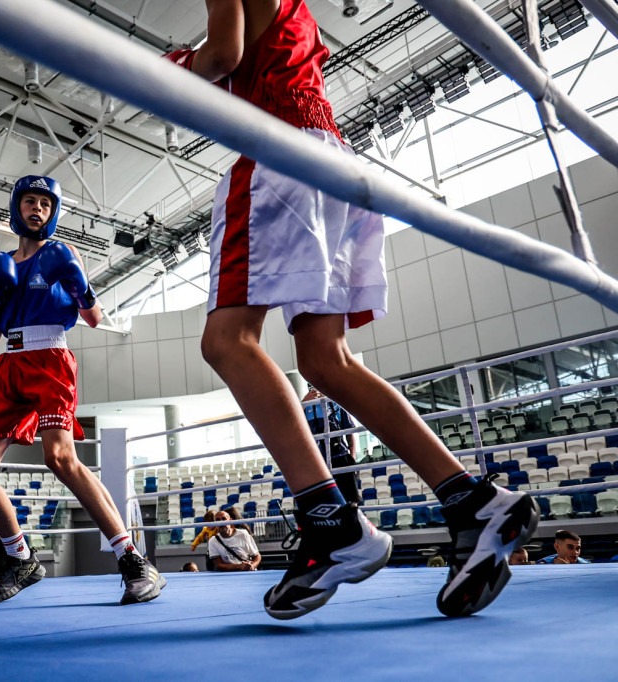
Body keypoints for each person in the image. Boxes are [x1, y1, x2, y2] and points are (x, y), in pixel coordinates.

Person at [167, 0, 538, 619]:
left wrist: (165, 65)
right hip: (333, 157)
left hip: (276, 152)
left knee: (226, 341)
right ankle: (471, 499)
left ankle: (329, 520)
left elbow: (222, 56)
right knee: (325, 359)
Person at [0, 175, 165, 605]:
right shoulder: (0, 264)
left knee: (59, 456)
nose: (38, 209)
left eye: (46, 204)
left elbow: (93, 317)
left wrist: (78, 282)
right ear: (17, 208)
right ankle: (21, 559)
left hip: (51, 359)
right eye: (30, 202)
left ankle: (132, 559)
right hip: (9, 364)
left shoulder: (61, 255)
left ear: (52, 214)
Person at [303, 386, 360, 504]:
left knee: (351, 499)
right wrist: (303, 403)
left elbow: (350, 432)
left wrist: (352, 457)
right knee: (325, 501)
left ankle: (352, 520)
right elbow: (290, 419)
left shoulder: (336, 404)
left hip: (341, 456)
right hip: (318, 460)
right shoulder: (306, 407)